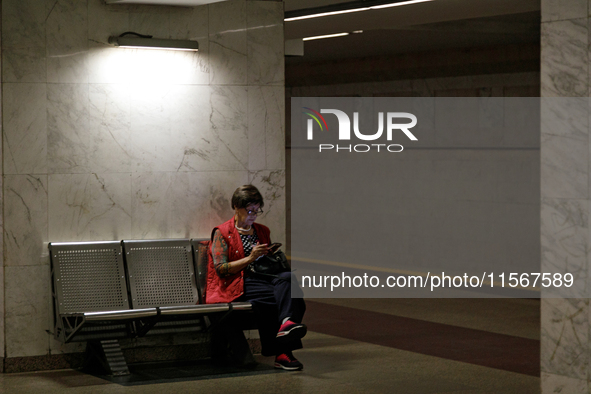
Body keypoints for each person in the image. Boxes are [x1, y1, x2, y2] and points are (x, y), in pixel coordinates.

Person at [206, 185, 307, 371]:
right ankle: (284, 353)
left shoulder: (262, 231)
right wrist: (250, 258)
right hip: (237, 283)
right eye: (249, 210)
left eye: (257, 210)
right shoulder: (222, 233)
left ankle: (287, 323)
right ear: (236, 207)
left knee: (287, 279)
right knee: (284, 297)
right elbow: (221, 269)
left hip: (263, 279)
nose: (253, 214)